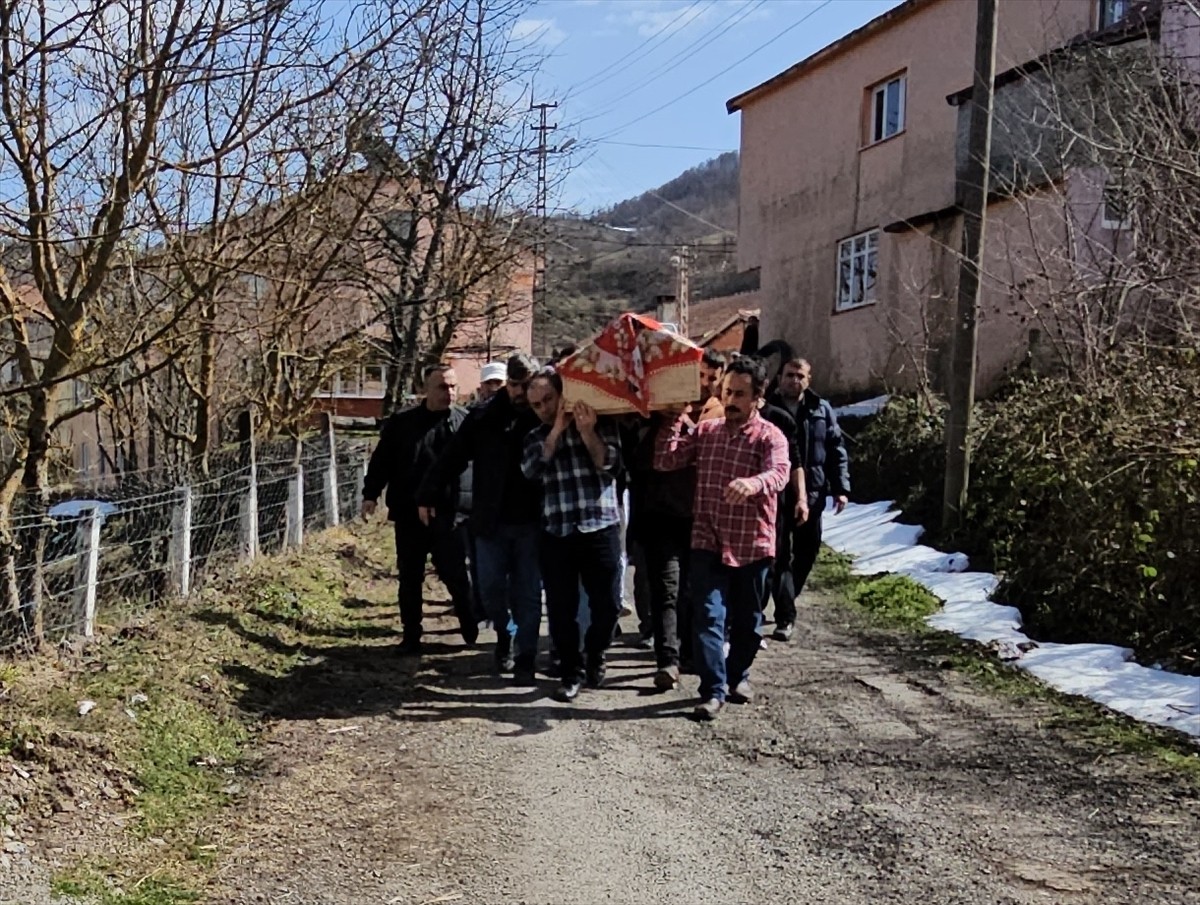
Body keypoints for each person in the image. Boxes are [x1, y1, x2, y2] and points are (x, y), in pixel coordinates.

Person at [655, 355, 790, 721]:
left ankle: (737, 675)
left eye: (740, 394)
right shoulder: (707, 432)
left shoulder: (769, 436)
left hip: (752, 545)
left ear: (758, 398)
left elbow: (779, 473)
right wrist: (672, 418)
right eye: (727, 391)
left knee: (749, 624)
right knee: (707, 617)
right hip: (708, 539)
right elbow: (666, 461)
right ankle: (713, 691)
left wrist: (752, 484)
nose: (730, 400)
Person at [415, 354, 544, 683]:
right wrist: (428, 494)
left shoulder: (542, 414)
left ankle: (525, 656)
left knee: (528, 593)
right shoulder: (484, 417)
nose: (519, 392)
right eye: (514, 385)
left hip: (532, 521)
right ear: (507, 383)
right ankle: (505, 635)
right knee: (490, 591)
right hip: (491, 520)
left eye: (525, 385)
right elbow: (452, 457)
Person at [521, 370, 624, 703]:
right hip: (558, 530)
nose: (543, 408)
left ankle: (596, 652)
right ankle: (571, 671)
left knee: (607, 604)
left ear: (562, 394)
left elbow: (609, 463)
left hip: (600, 524)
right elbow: (531, 471)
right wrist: (555, 432)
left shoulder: (601, 422)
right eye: (536, 404)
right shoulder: (536, 435)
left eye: (549, 400)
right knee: (562, 609)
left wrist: (586, 431)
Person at [362, 365, 477, 654]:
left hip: (451, 513)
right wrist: (371, 494)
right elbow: (382, 461)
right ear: (426, 389)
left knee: (454, 573)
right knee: (410, 577)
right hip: (409, 512)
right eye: (442, 387)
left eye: (452, 386)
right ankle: (411, 635)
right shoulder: (403, 424)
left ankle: (468, 618)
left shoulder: (466, 422)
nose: (448, 393)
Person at [767, 357, 851, 642]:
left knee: (807, 551)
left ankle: (786, 596)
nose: (794, 380)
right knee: (779, 557)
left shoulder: (820, 409)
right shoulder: (767, 407)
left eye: (800, 376)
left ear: (809, 379)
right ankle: (785, 617)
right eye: (789, 375)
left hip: (811, 493)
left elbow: (835, 449)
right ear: (779, 378)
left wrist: (841, 487)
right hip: (776, 495)